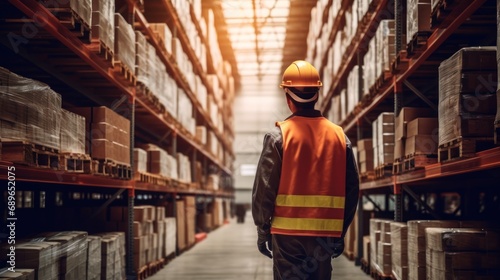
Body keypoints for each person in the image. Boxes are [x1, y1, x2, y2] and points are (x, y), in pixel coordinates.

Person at [251, 60, 360, 279]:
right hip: (324, 236)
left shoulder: (278, 138)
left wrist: (263, 231)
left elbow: (264, 191)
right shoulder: (340, 138)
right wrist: (341, 232)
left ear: (288, 98)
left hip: (287, 236)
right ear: (317, 95)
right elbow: (352, 190)